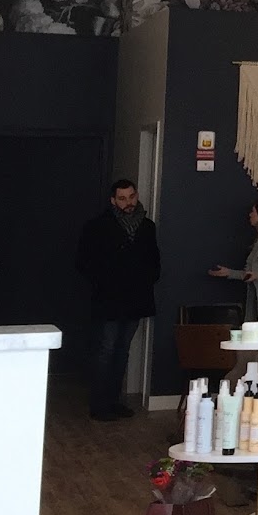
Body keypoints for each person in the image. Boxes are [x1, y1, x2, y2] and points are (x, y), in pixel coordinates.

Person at [75, 179, 161, 420]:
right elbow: (83, 262)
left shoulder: (147, 226)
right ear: (113, 200)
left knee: (123, 350)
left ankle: (114, 400)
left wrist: (148, 278)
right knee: (106, 349)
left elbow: (154, 260)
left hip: (136, 298)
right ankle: (99, 404)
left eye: (131, 197)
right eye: (122, 198)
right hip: (109, 299)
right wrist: (104, 281)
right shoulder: (97, 227)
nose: (128, 202)